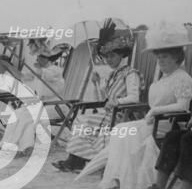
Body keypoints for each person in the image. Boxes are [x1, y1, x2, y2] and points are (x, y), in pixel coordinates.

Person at [79, 24, 192, 189]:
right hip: (151, 122)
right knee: (119, 129)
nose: (160, 61)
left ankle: (124, 178)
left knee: (126, 133)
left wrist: (155, 111)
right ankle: (117, 176)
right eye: (159, 57)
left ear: (177, 58)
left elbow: (183, 106)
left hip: (167, 124)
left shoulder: (182, 78)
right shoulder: (162, 79)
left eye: (165, 57)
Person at [53, 19, 140, 172]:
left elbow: (134, 98)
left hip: (122, 115)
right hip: (108, 113)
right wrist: (96, 83)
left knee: (86, 121)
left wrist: (117, 102)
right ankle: (75, 159)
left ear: (121, 55)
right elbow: (103, 98)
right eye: (106, 57)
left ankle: (78, 161)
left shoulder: (130, 74)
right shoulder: (112, 75)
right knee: (82, 119)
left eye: (112, 56)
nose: (109, 60)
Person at [0, 47, 66, 154]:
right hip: (42, 105)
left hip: (55, 106)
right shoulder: (41, 70)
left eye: (40, 57)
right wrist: (7, 65)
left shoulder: (55, 70)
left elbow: (42, 73)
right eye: (37, 56)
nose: (37, 59)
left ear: (47, 59)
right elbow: (21, 76)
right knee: (17, 114)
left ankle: (23, 147)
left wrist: (37, 69)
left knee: (26, 118)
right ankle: (6, 143)